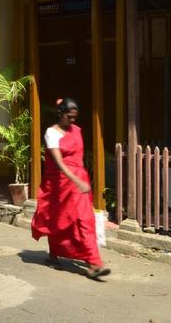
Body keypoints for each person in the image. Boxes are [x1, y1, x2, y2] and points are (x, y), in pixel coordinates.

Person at [30, 97, 110, 279]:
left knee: (84, 220)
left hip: (78, 183)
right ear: (60, 114)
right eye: (69, 117)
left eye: (75, 117)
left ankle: (94, 263)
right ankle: (53, 255)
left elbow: (78, 158)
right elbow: (58, 163)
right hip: (60, 183)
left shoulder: (77, 131)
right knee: (58, 220)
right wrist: (77, 180)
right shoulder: (52, 133)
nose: (73, 121)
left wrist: (83, 179)